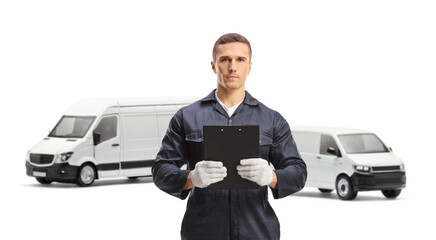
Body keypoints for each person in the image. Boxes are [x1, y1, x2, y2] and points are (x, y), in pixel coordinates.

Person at [152, 33, 307, 240]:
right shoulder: (187, 117)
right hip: (202, 232)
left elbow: (298, 172)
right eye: (225, 59)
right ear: (214, 66)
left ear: (249, 66)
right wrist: (191, 178)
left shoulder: (271, 119)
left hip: (258, 232)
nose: (232, 67)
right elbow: (160, 170)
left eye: (240, 60)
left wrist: (272, 177)